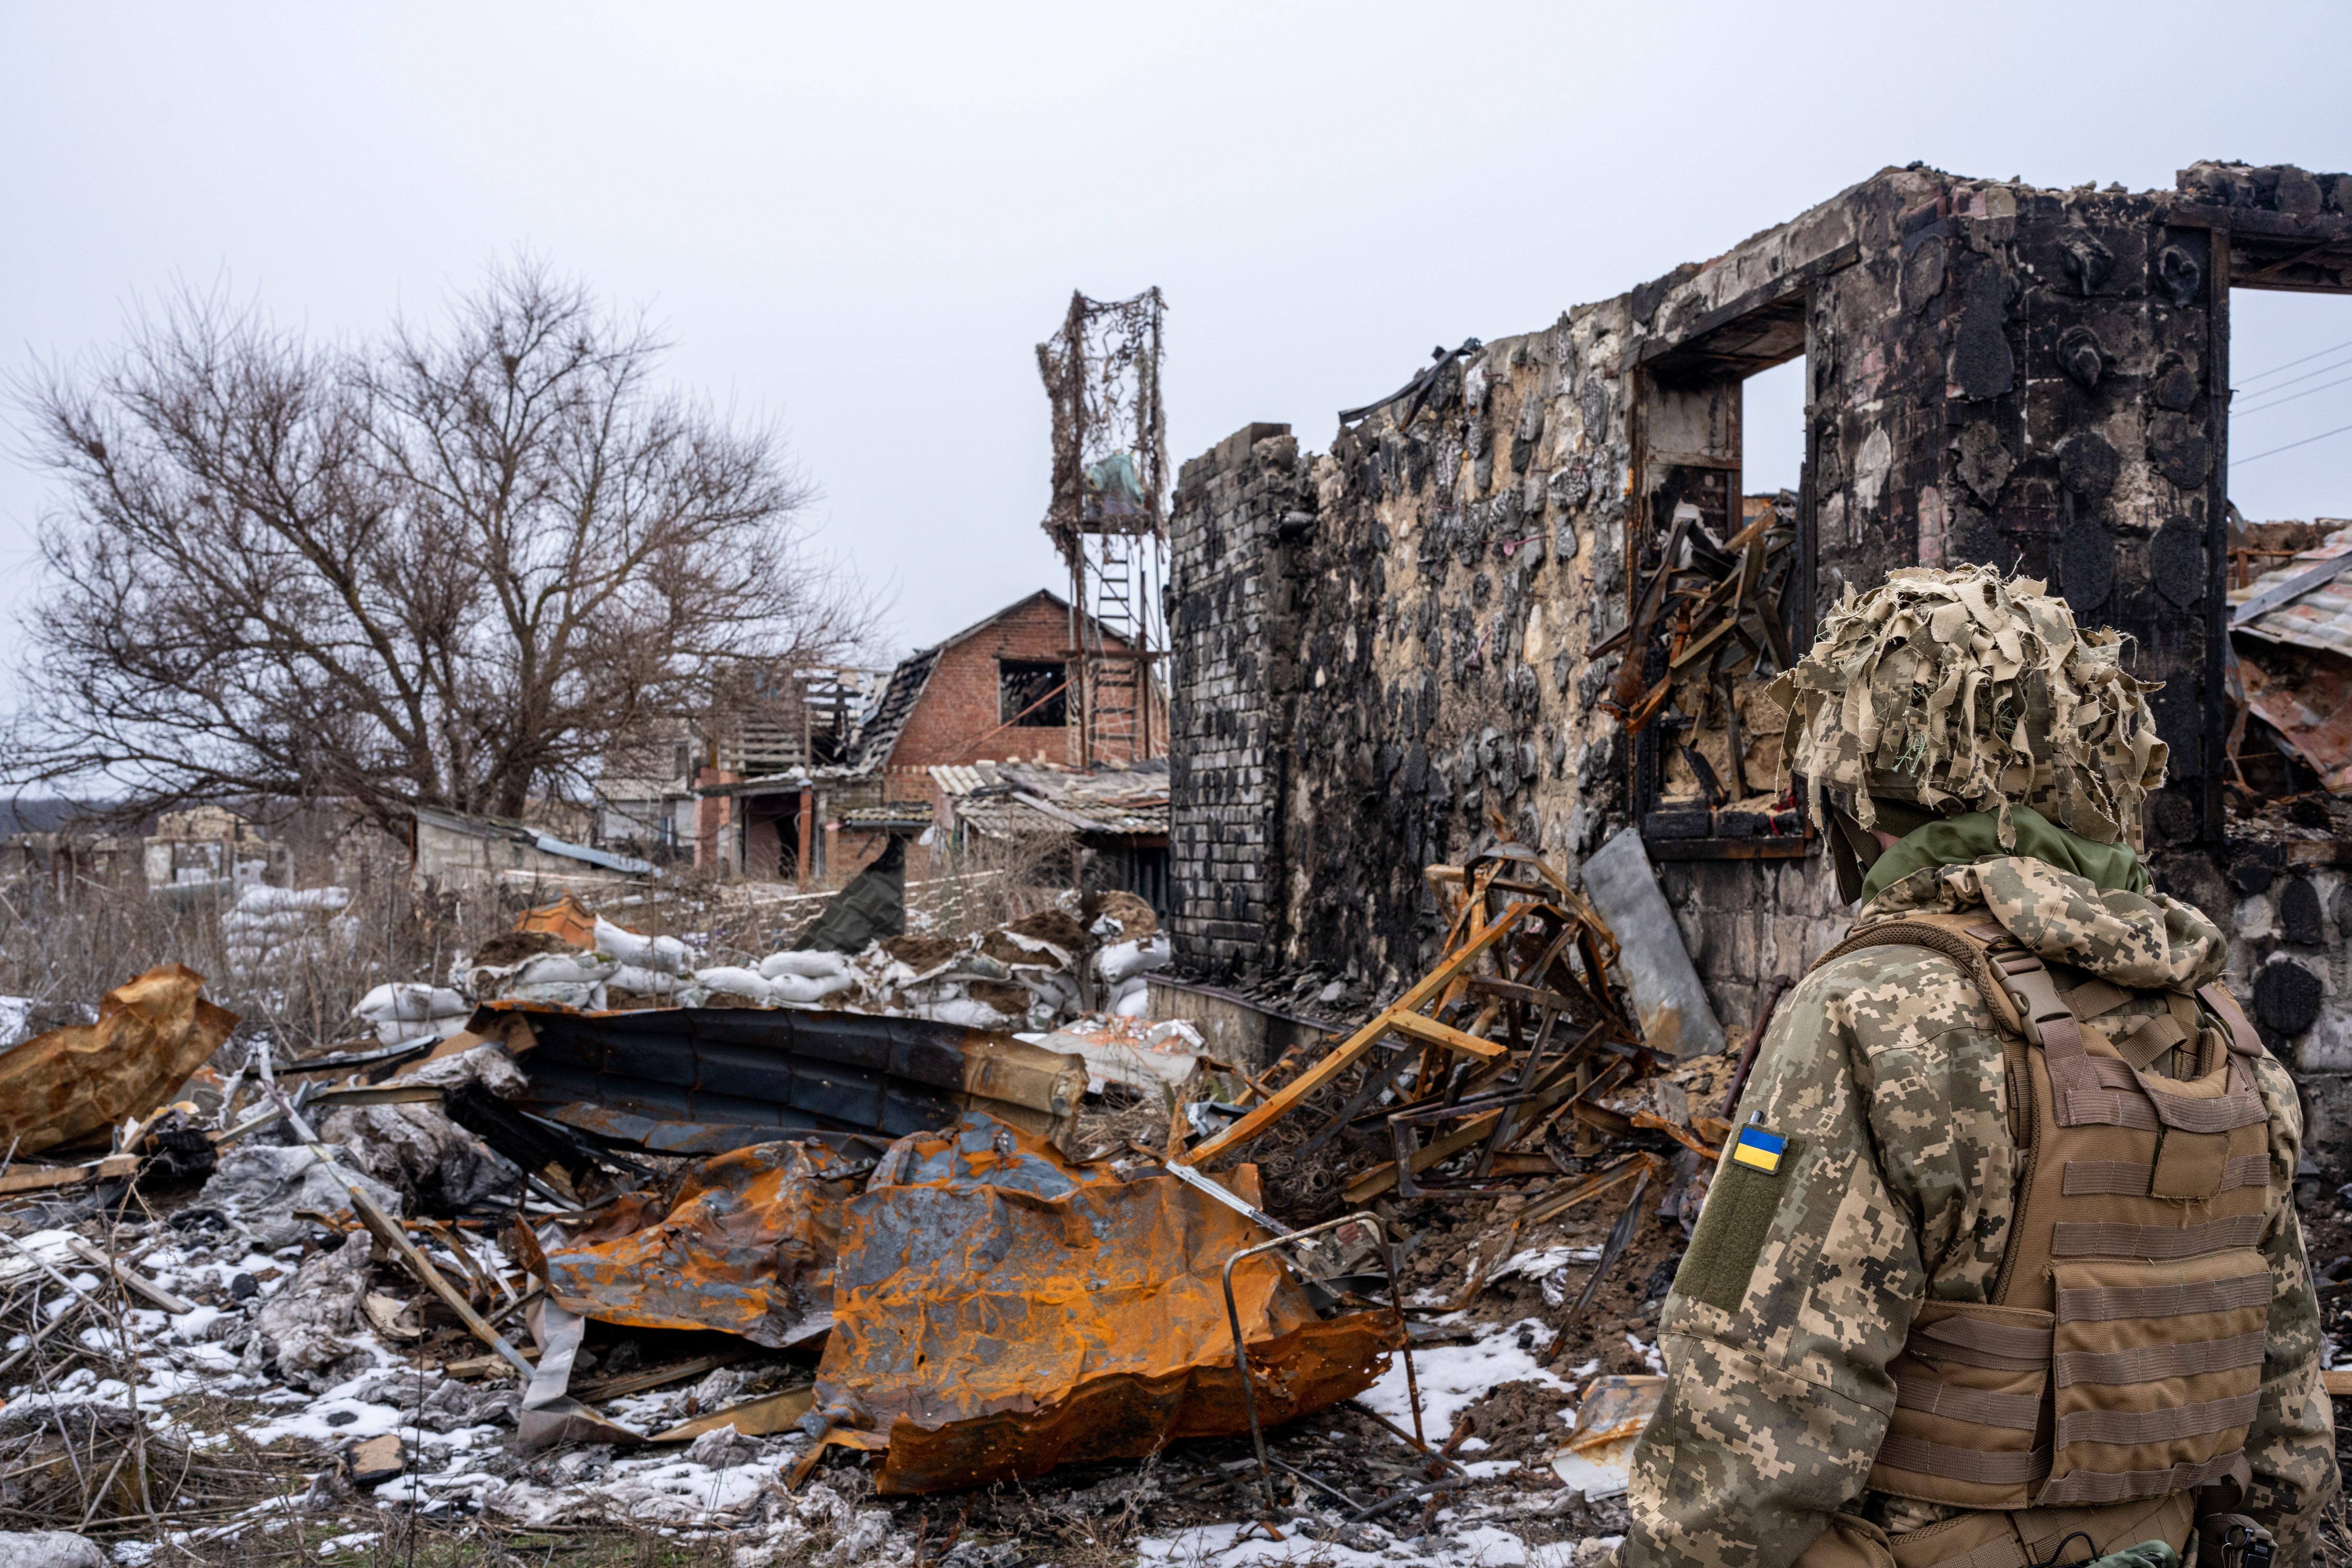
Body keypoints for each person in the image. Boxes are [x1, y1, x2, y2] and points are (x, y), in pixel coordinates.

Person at [1619, 566, 2337, 1568]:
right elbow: (2289, 1388)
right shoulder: (2215, 1017)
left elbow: (1752, 1383)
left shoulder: (1860, 1008)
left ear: (1867, 790)